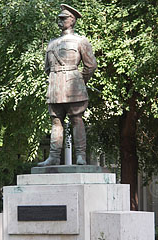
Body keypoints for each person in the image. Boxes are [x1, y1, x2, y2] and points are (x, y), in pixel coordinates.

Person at [38, 4, 97, 167]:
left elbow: (90, 65)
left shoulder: (81, 41)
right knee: (56, 121)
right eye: (59, 18)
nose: (60, 21)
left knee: (76, 119)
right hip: (55, 87)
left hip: (74, 87)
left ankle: (80, 156)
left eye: (63, 18)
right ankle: (54, 157)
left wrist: (79, 81)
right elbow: (47, 68)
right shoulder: (52, 43)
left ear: (72, 21)